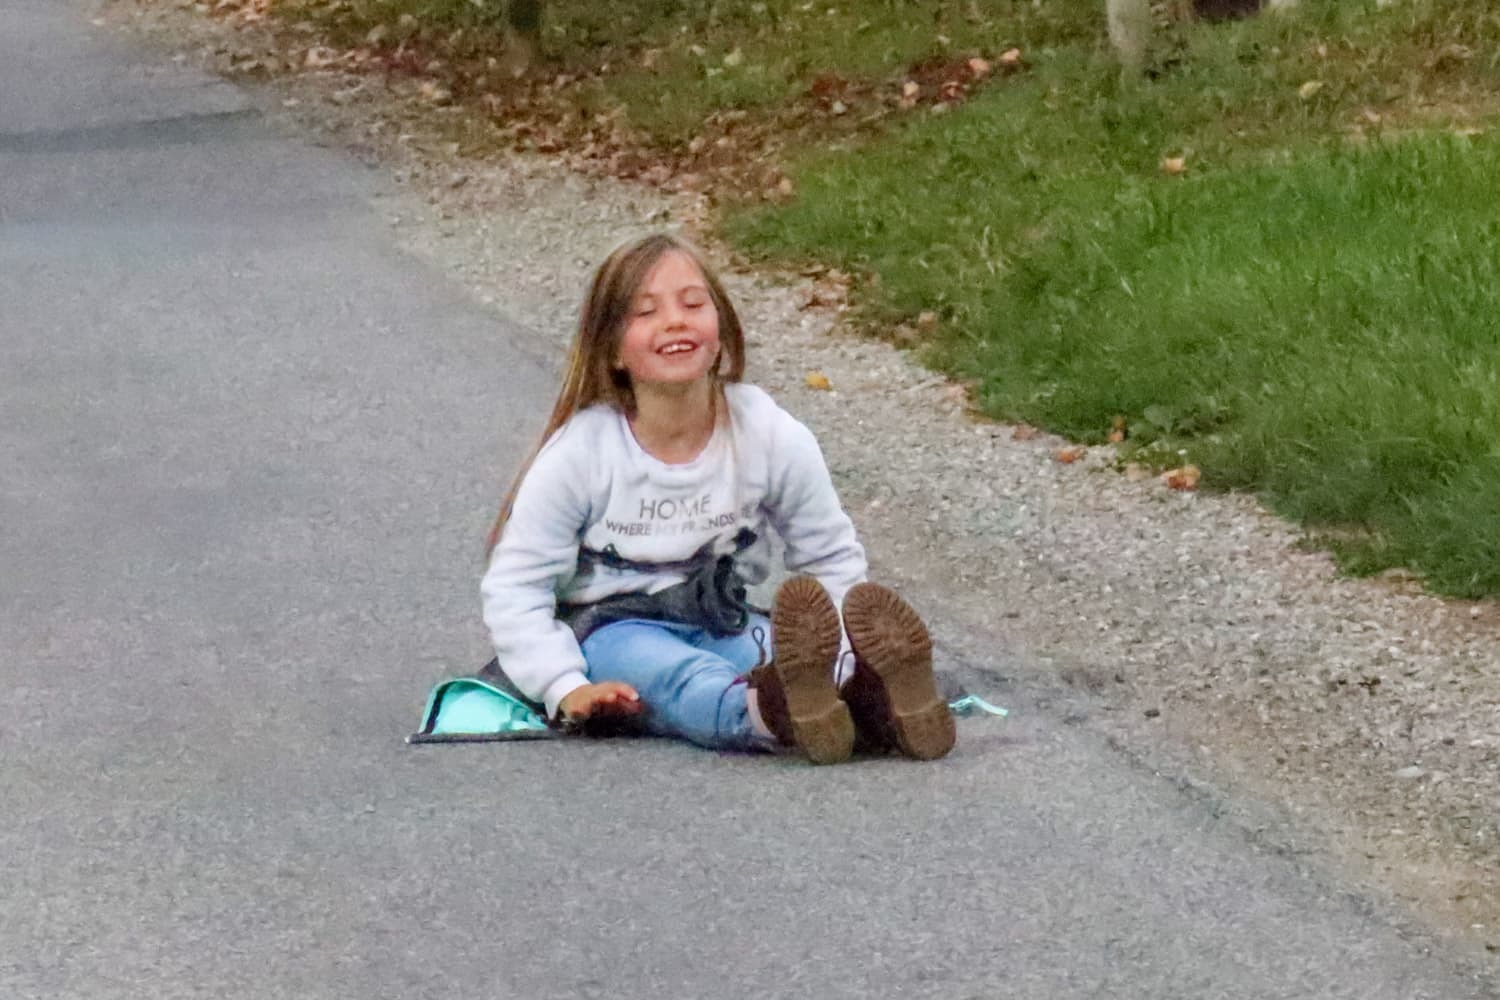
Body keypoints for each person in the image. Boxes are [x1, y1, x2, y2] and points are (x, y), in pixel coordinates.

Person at [480, 233, 955, 763]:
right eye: (646, 312)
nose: (675, 322)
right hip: (615, 633)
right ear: (611, 350)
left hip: (722, 618)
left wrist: (845, 647)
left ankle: (866, 698)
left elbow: (830, 556)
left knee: (782, 654)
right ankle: (769, 713)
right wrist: (563, 685)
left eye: (692, 304)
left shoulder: (767, 432)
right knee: (686, 679)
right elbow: (516, 588)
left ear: (722, 330)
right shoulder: (580, 454)